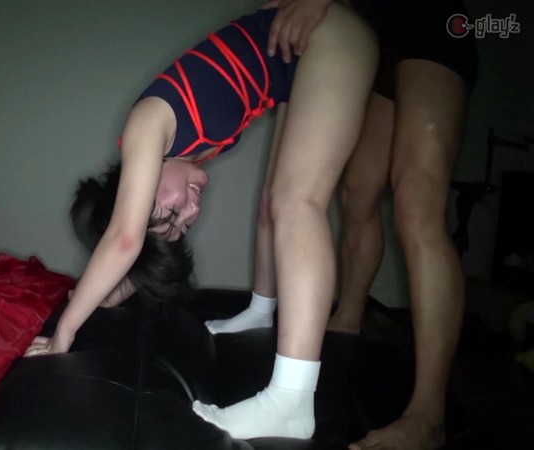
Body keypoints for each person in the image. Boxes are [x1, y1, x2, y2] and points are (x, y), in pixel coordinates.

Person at [25, 1, 378, 441]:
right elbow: (137, 246)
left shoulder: (145, 127)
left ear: (134, 189)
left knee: (297, 202)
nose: (192, 212)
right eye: (184, 223)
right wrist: (98, 297)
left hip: (329, 34)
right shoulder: (178, 152)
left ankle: (291, 398)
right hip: (300, 58)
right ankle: (259, 312)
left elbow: (125, 238)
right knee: (274, 204)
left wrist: (64, 332)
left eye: (172, 212)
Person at [205, 0, 478, 448]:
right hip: (373, 30)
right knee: (357, 194)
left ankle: (428, 415)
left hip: (431, 21)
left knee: (417, 200)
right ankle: (348, 317)